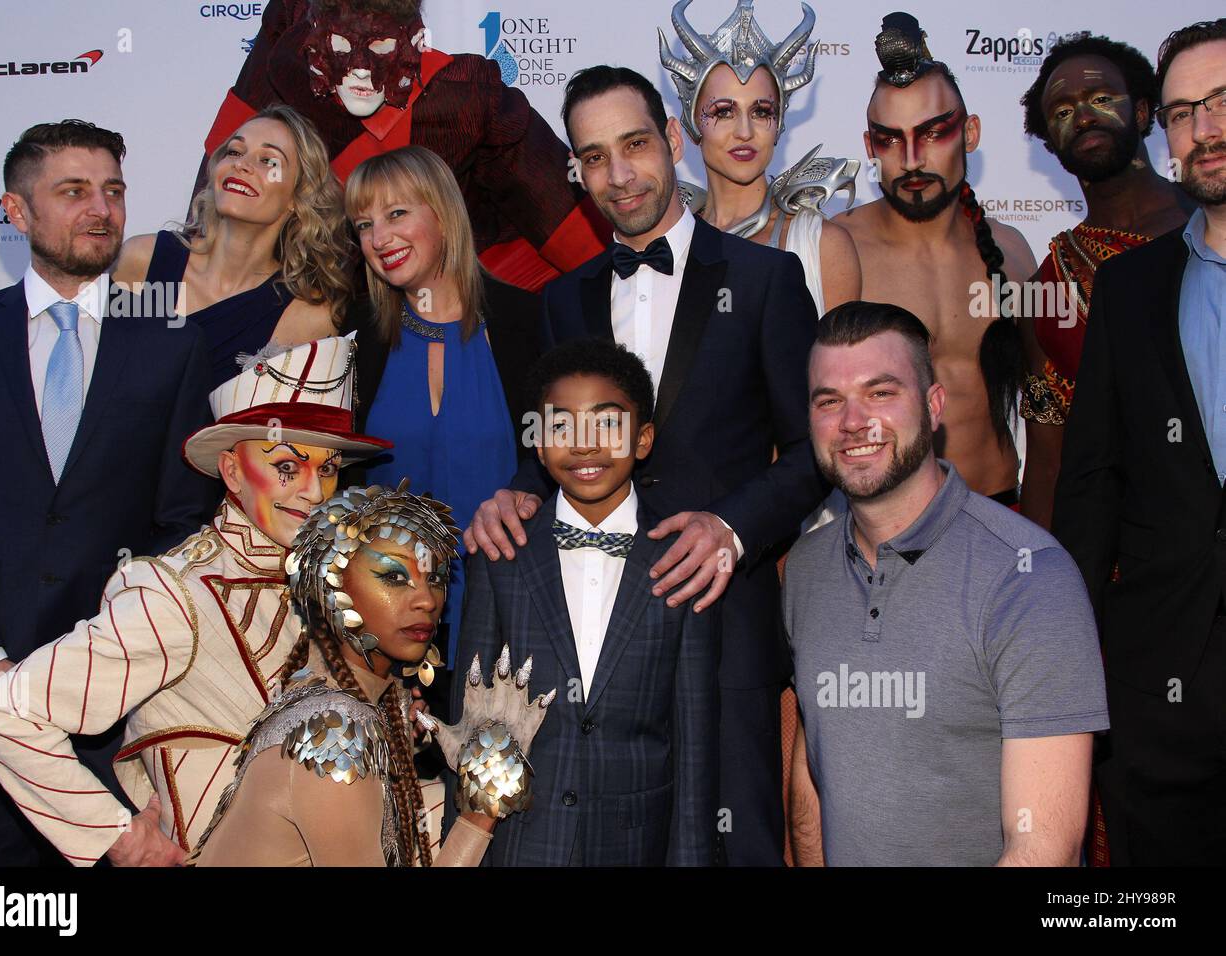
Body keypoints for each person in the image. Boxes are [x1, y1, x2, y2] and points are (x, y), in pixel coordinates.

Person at [466, 66, 821, 865]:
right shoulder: (564, 298)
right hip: (589, 638)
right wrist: (512, 498)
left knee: (735, 842)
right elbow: (553, 445)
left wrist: (732, 530)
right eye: (593, 158)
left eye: (633, 145)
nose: (618, 176)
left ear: (670, 135)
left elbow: (813, 454)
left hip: (718, 613)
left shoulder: (766, 282)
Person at [0, 336, 389, 865]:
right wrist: (114, 835)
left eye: (327, 469)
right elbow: (6, 711)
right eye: (287, 466)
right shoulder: (170, 594)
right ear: (231, 471)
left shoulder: (329, 580)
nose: (313, 491)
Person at [0, 120, 216, 865]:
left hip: (115, 694)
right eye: (74, 191)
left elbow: (181, 526)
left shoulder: (172, 345)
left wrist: (124, 647)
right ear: (16, 213)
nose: (102, 209)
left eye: (113, 191)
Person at [786, 301, 1108, 866]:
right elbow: (815, 769)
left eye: (882, 392)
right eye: (828, 401)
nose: (853, 421)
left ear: (934, 407)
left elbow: (1043, 848)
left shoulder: (1028, 577)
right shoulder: (807, 569)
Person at [1052, 19, 1226, 866]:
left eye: (1224, 103)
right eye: (1188, 112)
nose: (1207, 130)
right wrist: (1072, 668)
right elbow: (1091, 488)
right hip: (1165, 693)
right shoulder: (1126, 289)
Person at [450, 339, 719, 865]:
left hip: (636, 842)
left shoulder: (686, 559)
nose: (584, 444)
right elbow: (471, 722)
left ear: (643, 439)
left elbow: (694, 742)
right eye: (560, 425)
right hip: (520, 839)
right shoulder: (501, 553)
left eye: (607, 423)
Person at [190, 482, 555, 866]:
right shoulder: (333, 734)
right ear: (331, 585)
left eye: (434, 577)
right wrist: (483, 803)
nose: (427, 599)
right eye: (394, 577)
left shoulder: (354, 698)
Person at [197, 0, 609, 292]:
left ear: (414, 42)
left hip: (454, 294)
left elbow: (565, 221)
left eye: (380, 50)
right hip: (310, 297)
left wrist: (622, 295)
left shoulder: (462, 94)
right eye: (342, 48)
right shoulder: (285, 41)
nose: (360, 69)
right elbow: (223, 168)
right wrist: (198, 273)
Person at [344, 145, 542, 674]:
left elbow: (555, 457)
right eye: (364, 224)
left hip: (507, 617)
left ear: (444, 213)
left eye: (397, 214)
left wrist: (524, 493)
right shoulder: (357, 334)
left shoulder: (527, 321)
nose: (379, 239)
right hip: (383, 633)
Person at [834, 13, 1037, 503]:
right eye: (889, 139)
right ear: (869, 147)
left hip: (1002, 511)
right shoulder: (836, 249)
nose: (911, 159)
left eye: (932, 133)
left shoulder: (1011, 250)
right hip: (885, 526)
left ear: (970, 133)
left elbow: (1049, 403)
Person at [1016, 34, 1195, 530]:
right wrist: (1040, 583)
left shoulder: (1211, 223)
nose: (1085, 116)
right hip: (1132, 563)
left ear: (1141, 111)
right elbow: (1049, 462)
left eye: (1099, 99)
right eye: (1063, 110)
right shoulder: (1048, 289)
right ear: (1050, 142)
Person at [114, 105, 352, 391]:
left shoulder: (305, 315)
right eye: (235, 152)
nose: (241, 164)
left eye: (268, 160)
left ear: (297, 196)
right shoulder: (144, 260)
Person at [658, 0, 861, 315]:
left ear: (778, 124)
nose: (744, 131)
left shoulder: (821, 246)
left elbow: (845, 363)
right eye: (723, 112)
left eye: (761, 111)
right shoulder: (667, 240)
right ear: (693, 121)